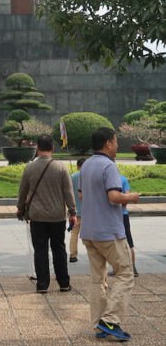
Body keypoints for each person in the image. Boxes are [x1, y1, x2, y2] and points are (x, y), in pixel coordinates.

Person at [79, 127, 140, 341]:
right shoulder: (108, 165)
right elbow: (114, 196)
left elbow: (81, 195)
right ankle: (111, 320)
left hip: (89, 230)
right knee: (125, 273)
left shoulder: (86, 165)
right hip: (109, 231)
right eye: (115, 141)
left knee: (98, 280)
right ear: (107, 144)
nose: (117, 145)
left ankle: (99, 325)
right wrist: (130, 197)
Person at [17, 135, 76, 294]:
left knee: (40, 250)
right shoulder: (61, 167)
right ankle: (64, 283)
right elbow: (68, 193)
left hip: (37, 216)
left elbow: (22, 191)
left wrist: (20, 208)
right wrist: (72, 212)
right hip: (57, 215)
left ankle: (42, 285)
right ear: (52, 148)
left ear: (37, 148)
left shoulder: (29, 168)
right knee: (59, 249)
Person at [120, 174, 138, 277]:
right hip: (124, 214)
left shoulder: (107, 178)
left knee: (114, 242)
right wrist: (123, 207)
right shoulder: (123, 178)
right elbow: (128, 195)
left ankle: (116, 268)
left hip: (112, 215)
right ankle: (133, 267)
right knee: (128, 241)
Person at [69, 158, 86, 263]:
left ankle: (73, 255)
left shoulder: (72, 177)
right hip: (88, 211)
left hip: (75, 210)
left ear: (77, 166)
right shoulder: (89, 176)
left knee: (74, 233)